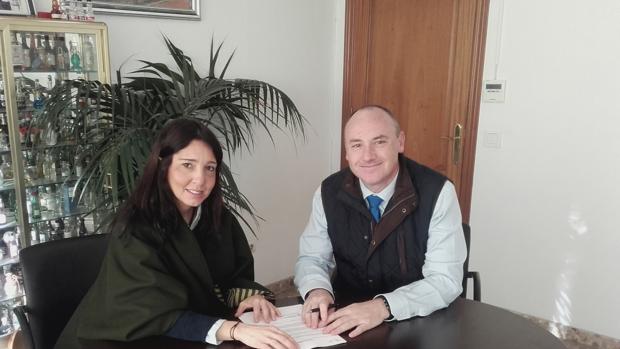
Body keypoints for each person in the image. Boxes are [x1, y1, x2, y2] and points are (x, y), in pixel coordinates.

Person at [55, 119, 298, 349]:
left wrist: (252, 298)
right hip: (120, 341)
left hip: (187, 336)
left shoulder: (220, 220)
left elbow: (232, 279)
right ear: (163, 165)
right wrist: (233, 330)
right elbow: (152, 313)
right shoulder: (136, 228)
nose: (200, 179)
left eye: (210, 168)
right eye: (187, 165)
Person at [294, 105, 467, 337]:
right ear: (347, 152)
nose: (367, 156)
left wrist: (382, 306)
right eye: (357, 145)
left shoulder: (438, 191)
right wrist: (316, 289)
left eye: (379, 142)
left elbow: (445, 279)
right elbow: (312, 257)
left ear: (400, 142)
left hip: (419, 321)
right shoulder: (328, 191)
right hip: (348, 320)